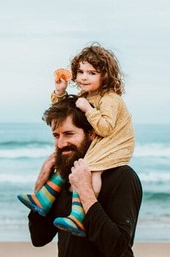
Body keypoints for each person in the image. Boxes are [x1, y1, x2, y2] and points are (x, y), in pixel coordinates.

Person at [28, 96, 143, 257]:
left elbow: (116, 246)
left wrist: (86, 192)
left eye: (69, 134)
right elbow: (39, 237)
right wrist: (41, 181)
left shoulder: (122, 177)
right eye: (56, 135)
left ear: (92, 134)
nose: (61, 143)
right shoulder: (62, 178)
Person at [18, 43, 135, 237]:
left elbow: (106, 128)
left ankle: (79, 214)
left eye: (91, 73)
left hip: (114, 143)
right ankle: (43, 198)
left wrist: (88, 110)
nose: (83, 77)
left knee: (90, 170)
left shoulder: (110, 99)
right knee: (74, 168)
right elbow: (40, 238)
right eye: (80, 72)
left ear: (105, 75)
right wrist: (60, 92)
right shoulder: (85, 96)